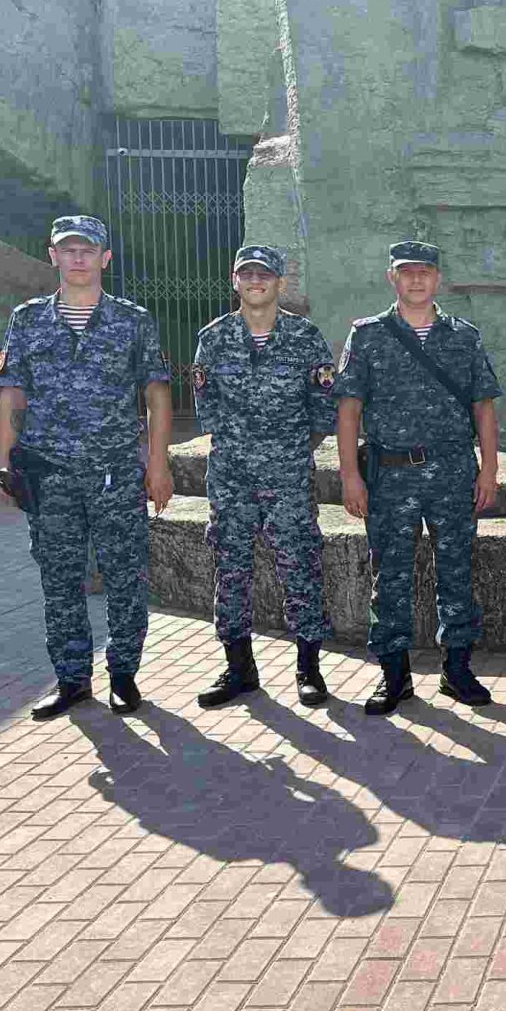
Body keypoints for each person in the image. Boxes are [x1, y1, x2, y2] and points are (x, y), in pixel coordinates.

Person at [0, 215, 174, 720]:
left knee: (125, 577)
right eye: (67, 249)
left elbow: (157, 394)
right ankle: (73, 679)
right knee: (60, 580)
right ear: (52, 255)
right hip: (48, 474)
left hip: (114, 472)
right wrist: (5, 465)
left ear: (105, 259)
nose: (77, 258)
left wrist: (157, 464)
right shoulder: (27, 320)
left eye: (87, 250)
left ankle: (123, 676)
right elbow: (11, 397)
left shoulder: (132, 320)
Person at [335, 242, 504, 716]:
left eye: (424, 272)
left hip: (452, 472)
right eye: (406, 272)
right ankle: (394, 674)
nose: (415, 281)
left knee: (457, 570)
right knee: (389, 574)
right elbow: (348, 410)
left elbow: (483, 407)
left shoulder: (463, 337)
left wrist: (489, 468)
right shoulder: (368, 336)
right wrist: (350, 475)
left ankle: (458, 668)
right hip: (390, 474)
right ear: (392, 277)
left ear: (437, 278)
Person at [189, 245, 339, 709]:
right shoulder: (213, 339)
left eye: (265, 275)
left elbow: (322, 410)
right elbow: (206, 410)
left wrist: (286, 451)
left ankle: (308, 668)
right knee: (230, 568)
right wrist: (244, 446)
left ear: (279, 283)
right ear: (235, 281)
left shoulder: (305, 338)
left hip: (288, 475)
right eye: (247, 274)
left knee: (300, 565)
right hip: (231, 477)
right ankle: (239, 668)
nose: (256, 281)